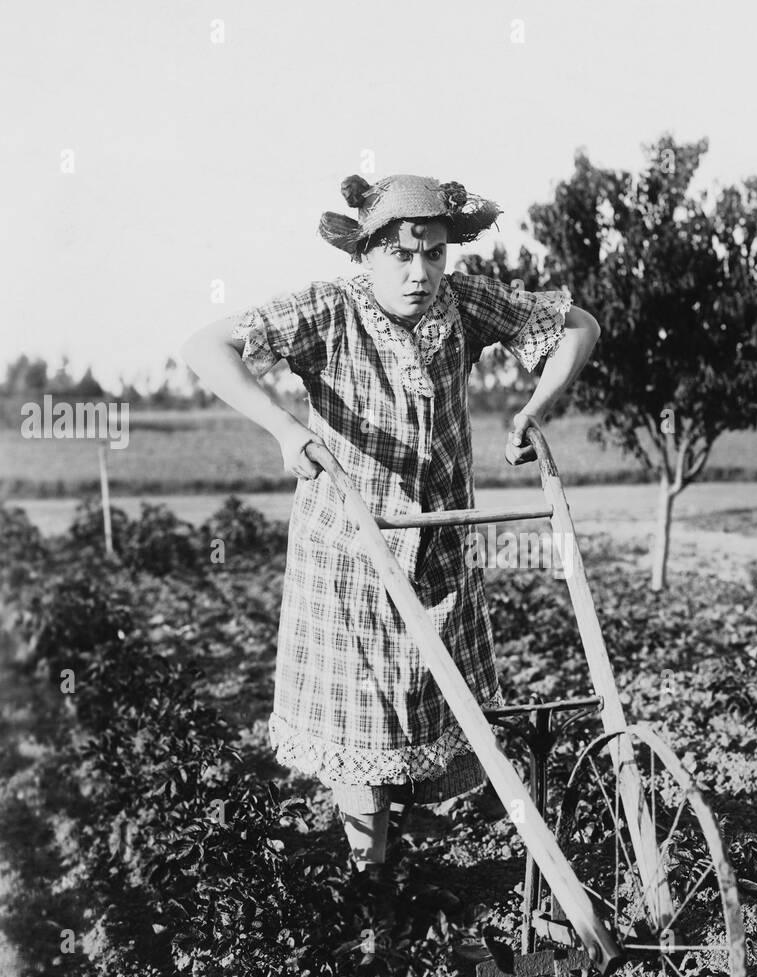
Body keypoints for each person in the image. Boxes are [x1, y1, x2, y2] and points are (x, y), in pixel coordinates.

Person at [181, 173, 600, 873]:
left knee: (443, 721)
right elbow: (205, 346)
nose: (420, 272)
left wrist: (534, 410)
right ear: (367, 254)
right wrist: (284, 428)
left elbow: (578, 327)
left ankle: (416, 860)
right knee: (363, 736)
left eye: (433, 255)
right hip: (348, 558)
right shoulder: (328, 311)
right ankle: (369, 889)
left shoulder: (461, 303)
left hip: (436, 551)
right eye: (402, 256)